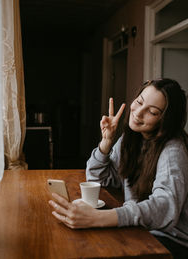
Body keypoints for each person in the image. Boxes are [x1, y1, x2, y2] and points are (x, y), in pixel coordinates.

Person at [49, 78, 188, 258]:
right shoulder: (131, 139)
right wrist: (105, 144)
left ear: (165, 120)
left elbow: (165, 206)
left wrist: (99, 218)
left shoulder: (173, 150)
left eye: (152, 112)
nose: (138, 113)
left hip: (171, 241)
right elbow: (99, 179)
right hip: (141, 228)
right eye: (139, 102)